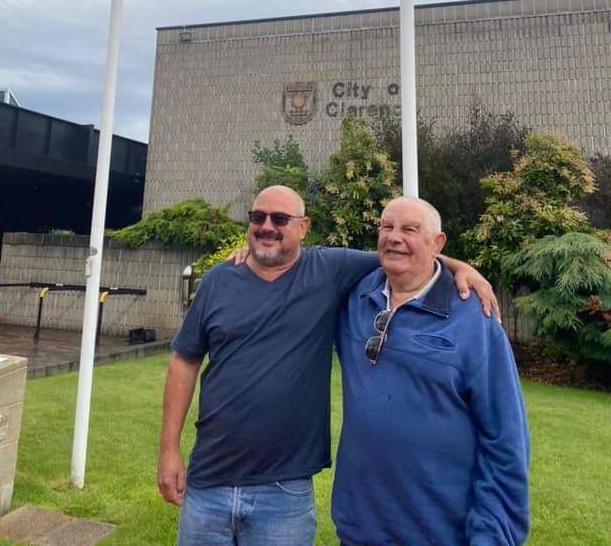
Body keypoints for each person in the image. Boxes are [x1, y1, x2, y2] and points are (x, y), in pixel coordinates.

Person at [157, 185, 498, 546]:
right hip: (208, 482)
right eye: (258, 217)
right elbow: (184, 361)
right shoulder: (218, 280)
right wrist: (168, 451)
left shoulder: (329, 269)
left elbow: (402, 255)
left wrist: (463, 268)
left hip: (283, 492)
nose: (267, 226)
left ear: (303, 226)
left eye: (280, 219)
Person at [333, 196, 529, 546]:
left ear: (438, 244)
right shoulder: (353, 296)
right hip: (359, 529)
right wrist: (246, 256)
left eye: (410, 229)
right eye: (386, 226)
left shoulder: (474, 319)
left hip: (441, 533)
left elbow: (506, 439)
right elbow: (290, 262)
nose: (394, 237)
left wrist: (492, 536)